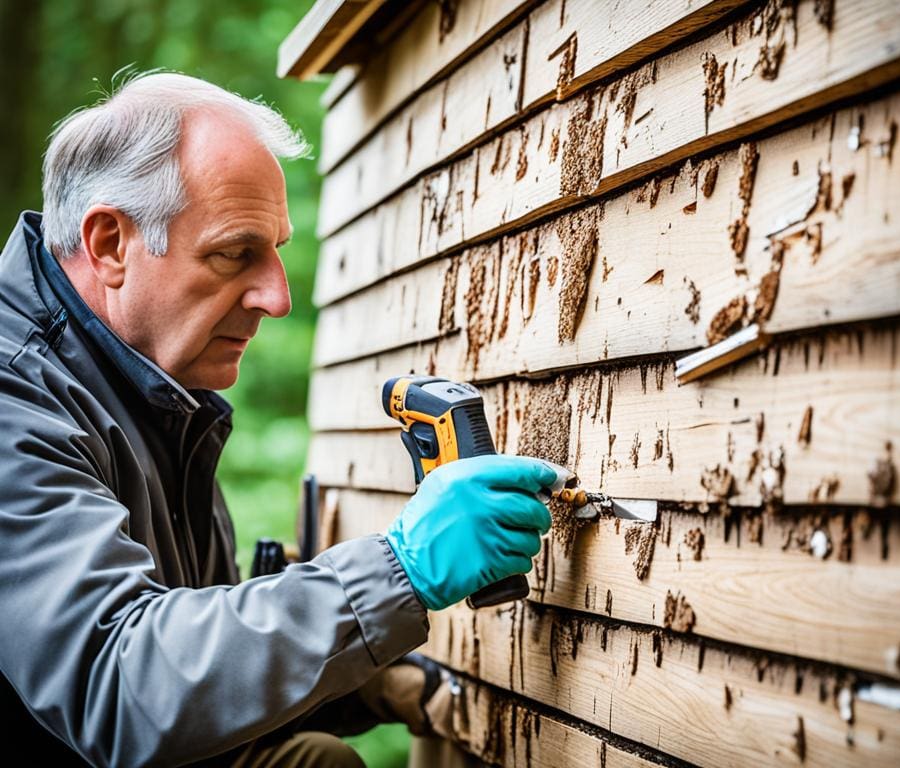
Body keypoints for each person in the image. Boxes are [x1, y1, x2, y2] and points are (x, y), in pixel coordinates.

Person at [0, 72, 555, 767]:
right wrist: (399, 572)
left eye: (278, 250)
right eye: (235, 252)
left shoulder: (151, 388)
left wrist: (367, 687)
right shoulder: (14, 399)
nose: (278, 296)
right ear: (111, 243)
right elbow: (119, 683)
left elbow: (199, 677)